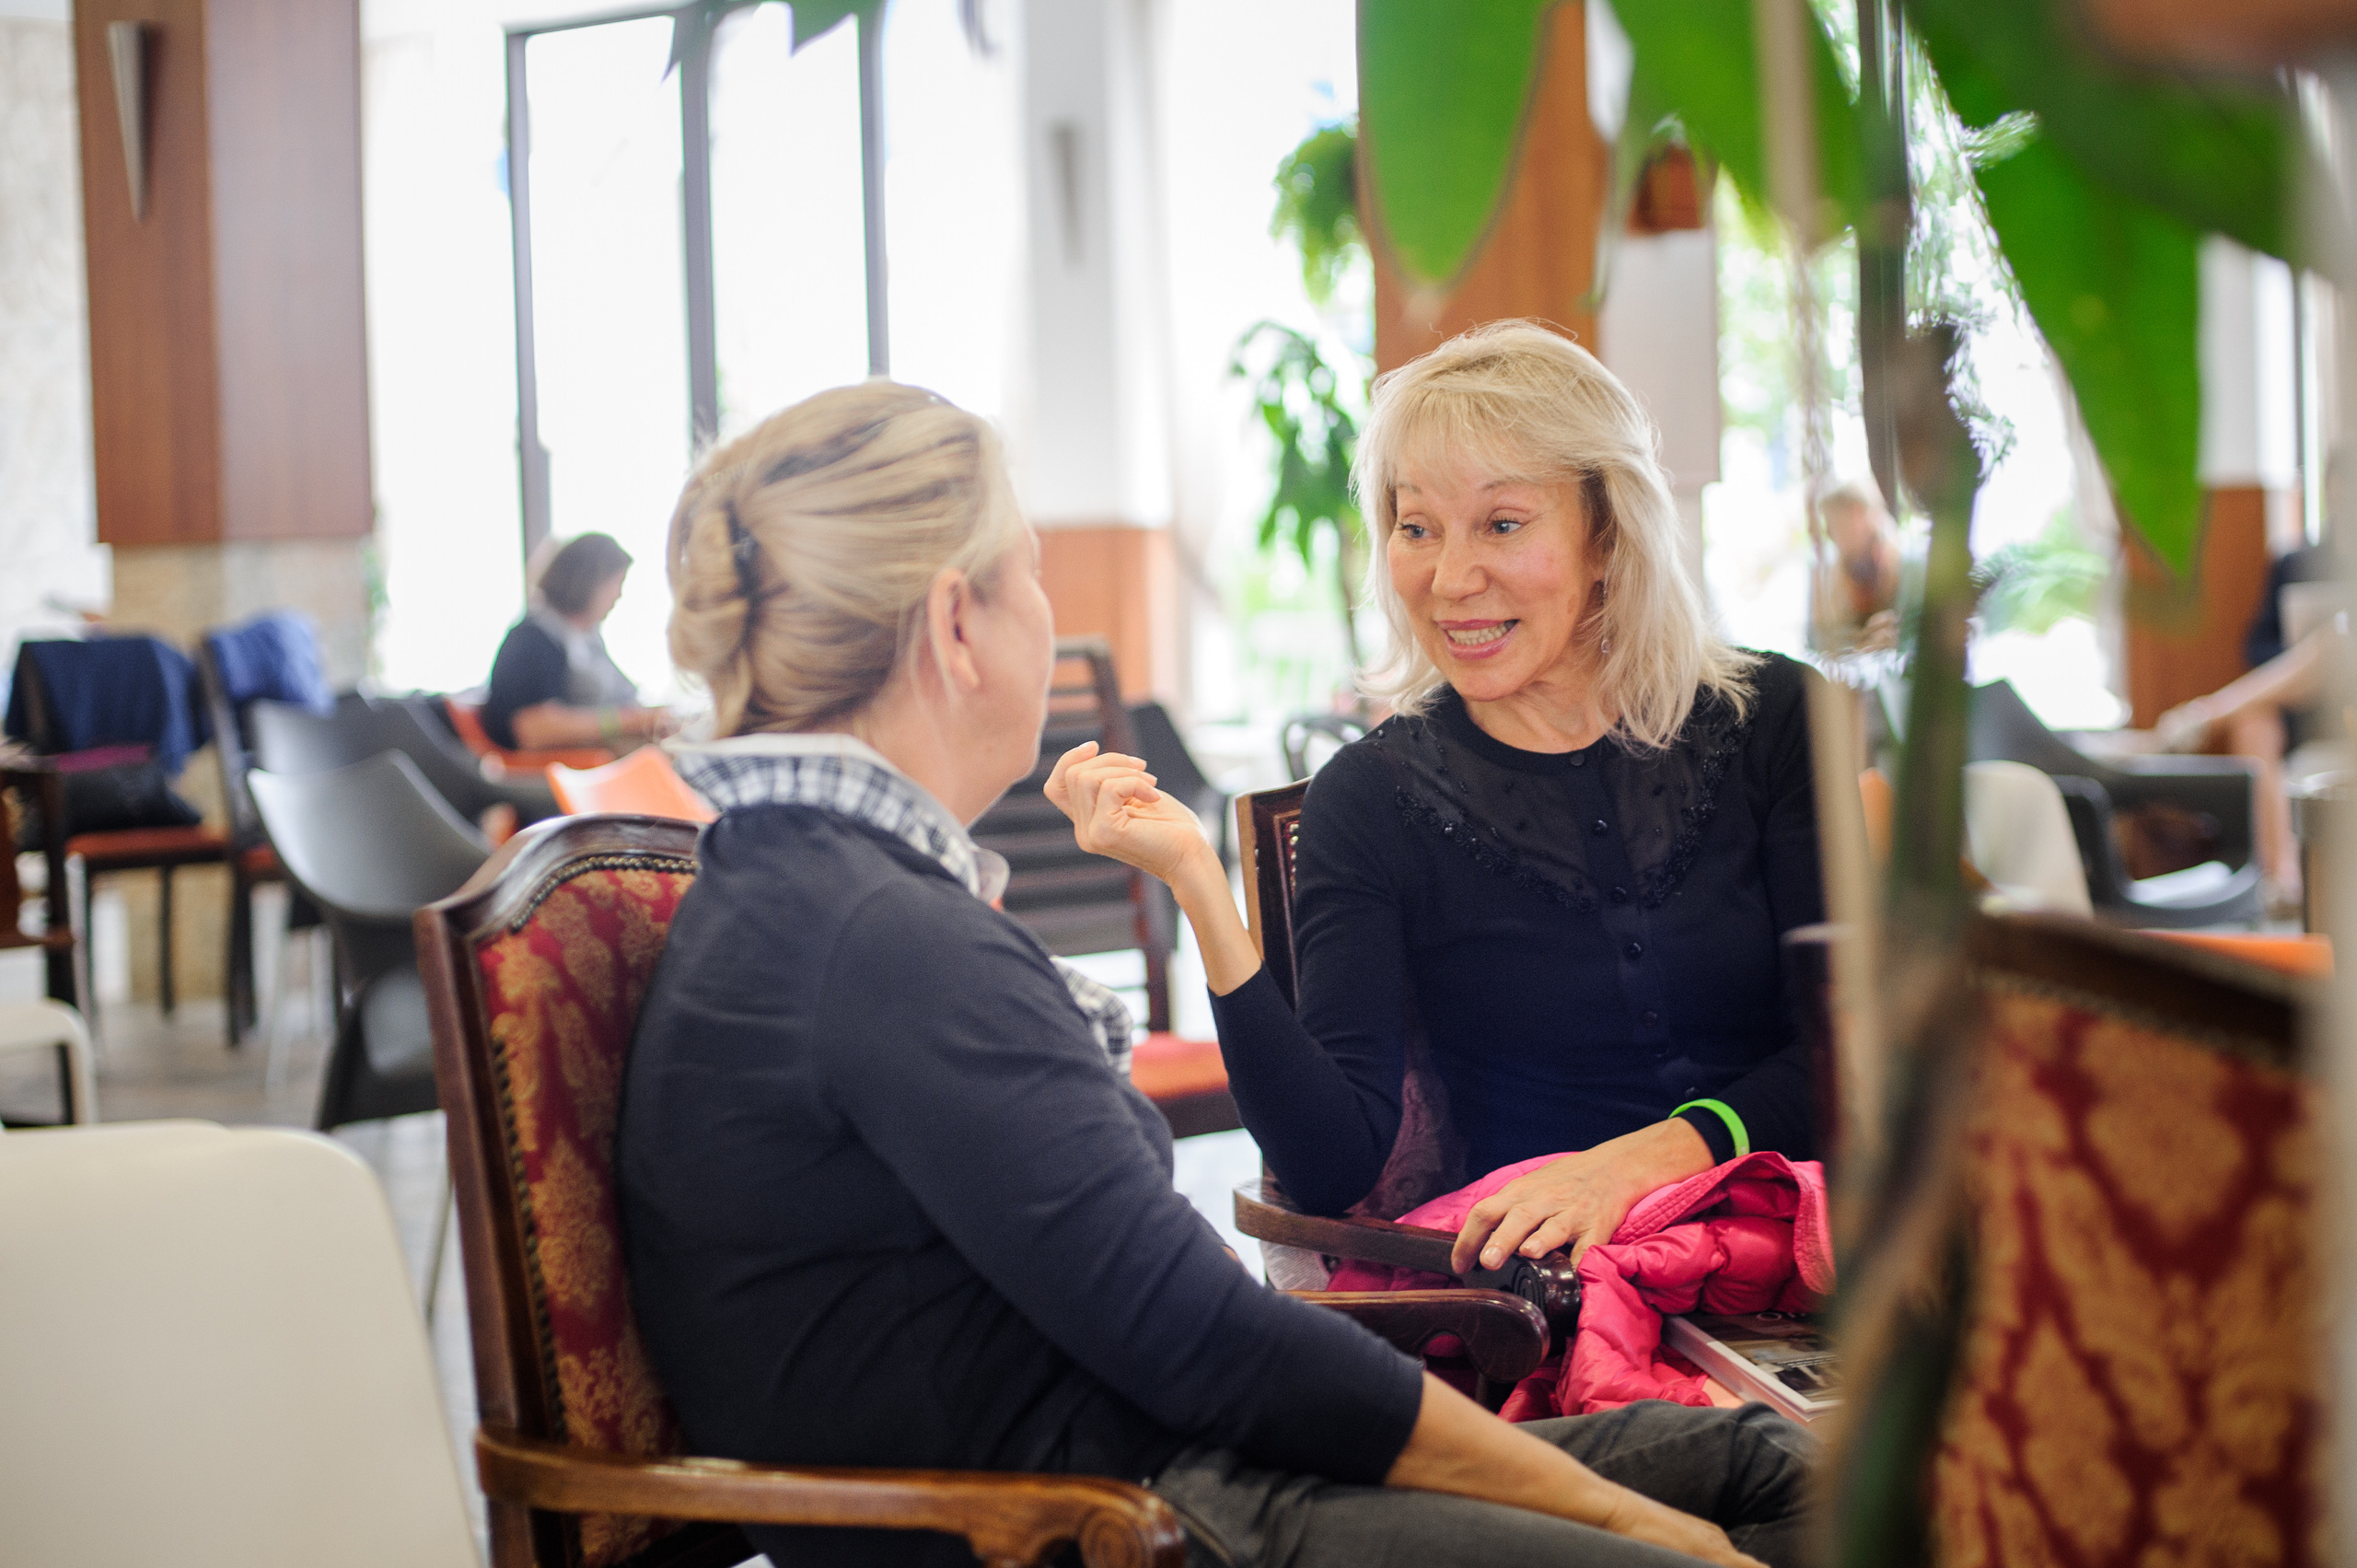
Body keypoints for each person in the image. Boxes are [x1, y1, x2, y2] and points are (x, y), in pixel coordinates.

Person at [618, 381, 1812, 1568]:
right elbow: (1211, 1341)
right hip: (1130, 1516)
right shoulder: (882, 935)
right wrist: (1623, 1517)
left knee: (1781, 1470)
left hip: (1174, 1463)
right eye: (1031, 570)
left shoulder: (815, 887)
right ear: (956, 627)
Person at [1052, 321, 1823, 1282]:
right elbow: (1330, 1166)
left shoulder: (1772, 721)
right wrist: (1198, 884)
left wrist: (1643, 1161)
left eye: (1502, 524)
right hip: (1546, 1296)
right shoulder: (1372, 798)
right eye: (1416, 527)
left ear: (1607, 534)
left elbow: (1854, 1058)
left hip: (1820, 1246)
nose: (1450, 580)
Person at [2154, 537, 2343, 910]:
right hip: (2303, 710)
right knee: (2254, 722)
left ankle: (2201, 717)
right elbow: (2259, 645)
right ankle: (2284, 880)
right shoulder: (2293, 562)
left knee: (2336, 642)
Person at [480, 530, 668, 750]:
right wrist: (625, 722)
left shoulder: (588, 640)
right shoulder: (533, 639)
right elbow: (531, 728)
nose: (618, 595)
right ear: (589, 582)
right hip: (570, 763)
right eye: (614, 584)